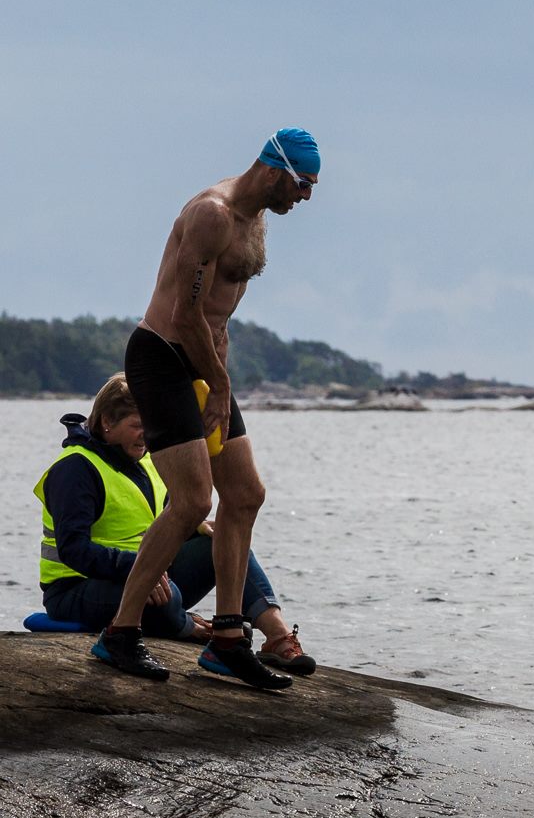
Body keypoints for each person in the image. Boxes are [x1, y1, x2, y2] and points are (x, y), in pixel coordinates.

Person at [89, 128, 320, 689]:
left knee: (246, 495)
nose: (306, 197)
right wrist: (217, 383)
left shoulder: (257, 218)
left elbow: (220, 315)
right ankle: (119, 634)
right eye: (303, 184)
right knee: (193, 500)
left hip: (207, 365)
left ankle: (228, 638)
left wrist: (220, 371)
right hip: (163, 359)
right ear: (273, 171)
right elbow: (187, 314)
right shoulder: (211, 215)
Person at [35, 376, 316, 673]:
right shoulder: (75, 468)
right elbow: (73, 550)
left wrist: (195, 528)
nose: (147, 435)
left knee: (224, 542)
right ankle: (192, 628)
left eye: (151, 425)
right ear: (107, 421)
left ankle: (277, 637)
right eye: (137, 425)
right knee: (165, 602)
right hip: (75, 589)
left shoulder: (147, 461)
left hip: (149, 575)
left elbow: (163, 520)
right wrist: (139, 568)